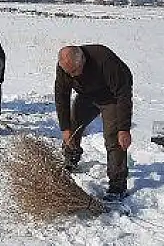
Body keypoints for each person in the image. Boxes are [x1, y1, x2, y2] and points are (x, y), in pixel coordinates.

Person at [55, 45, 133, 201]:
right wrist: (65, 128)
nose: (72, 76)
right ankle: (71, 158)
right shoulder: (65, 67)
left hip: (111, 97)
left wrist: (124, 129)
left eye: (75, 71)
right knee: (73, 125)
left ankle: (117, 185)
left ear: (83, 59)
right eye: (68, 73)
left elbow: (123, 94)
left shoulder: (105, 61)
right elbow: (61, 95)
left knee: (113, 138)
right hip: (87, 95)